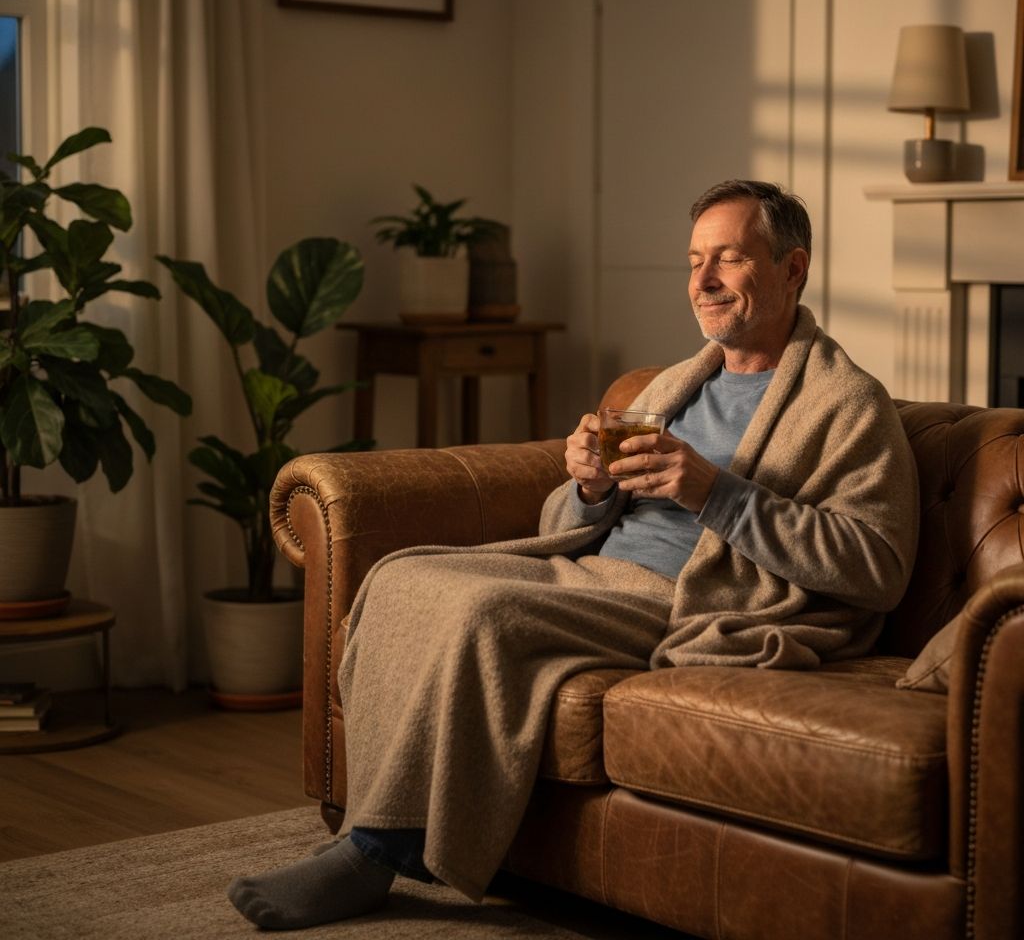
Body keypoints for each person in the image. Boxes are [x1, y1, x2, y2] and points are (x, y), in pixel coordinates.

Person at [228, 180, 919, 930]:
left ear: (792, 269)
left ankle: (376, 850)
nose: (704, 281)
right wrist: (588, 487)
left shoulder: (847, 403)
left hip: (686, 596)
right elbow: (577, 519)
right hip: (587, 570)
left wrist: (716, 493)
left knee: (483, 611)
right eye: (694, 261)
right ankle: (371, 814)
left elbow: (875, 566)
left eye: (728, 259)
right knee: (401, 576)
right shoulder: (677, 385)